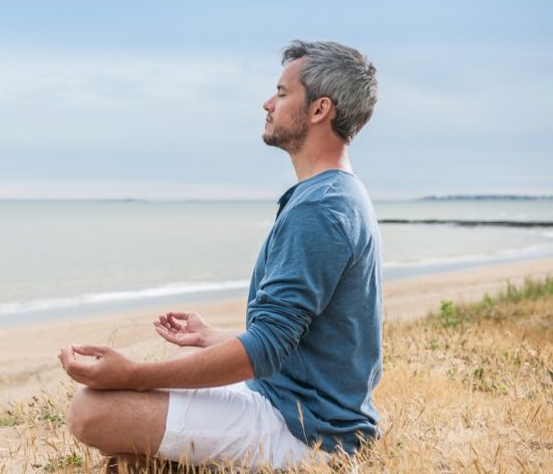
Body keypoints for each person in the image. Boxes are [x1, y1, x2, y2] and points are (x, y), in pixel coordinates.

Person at [58, 39, 382, 470]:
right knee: (185, 360)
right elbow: (300, 337)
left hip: (308, 433)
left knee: (90, 411)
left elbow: (266, 348)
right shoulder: (334, 193)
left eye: (283, 94)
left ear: (320, 110)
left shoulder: (321, 209)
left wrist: (132, 374)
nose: (268, 103)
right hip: (295, 402)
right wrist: (212, 336)